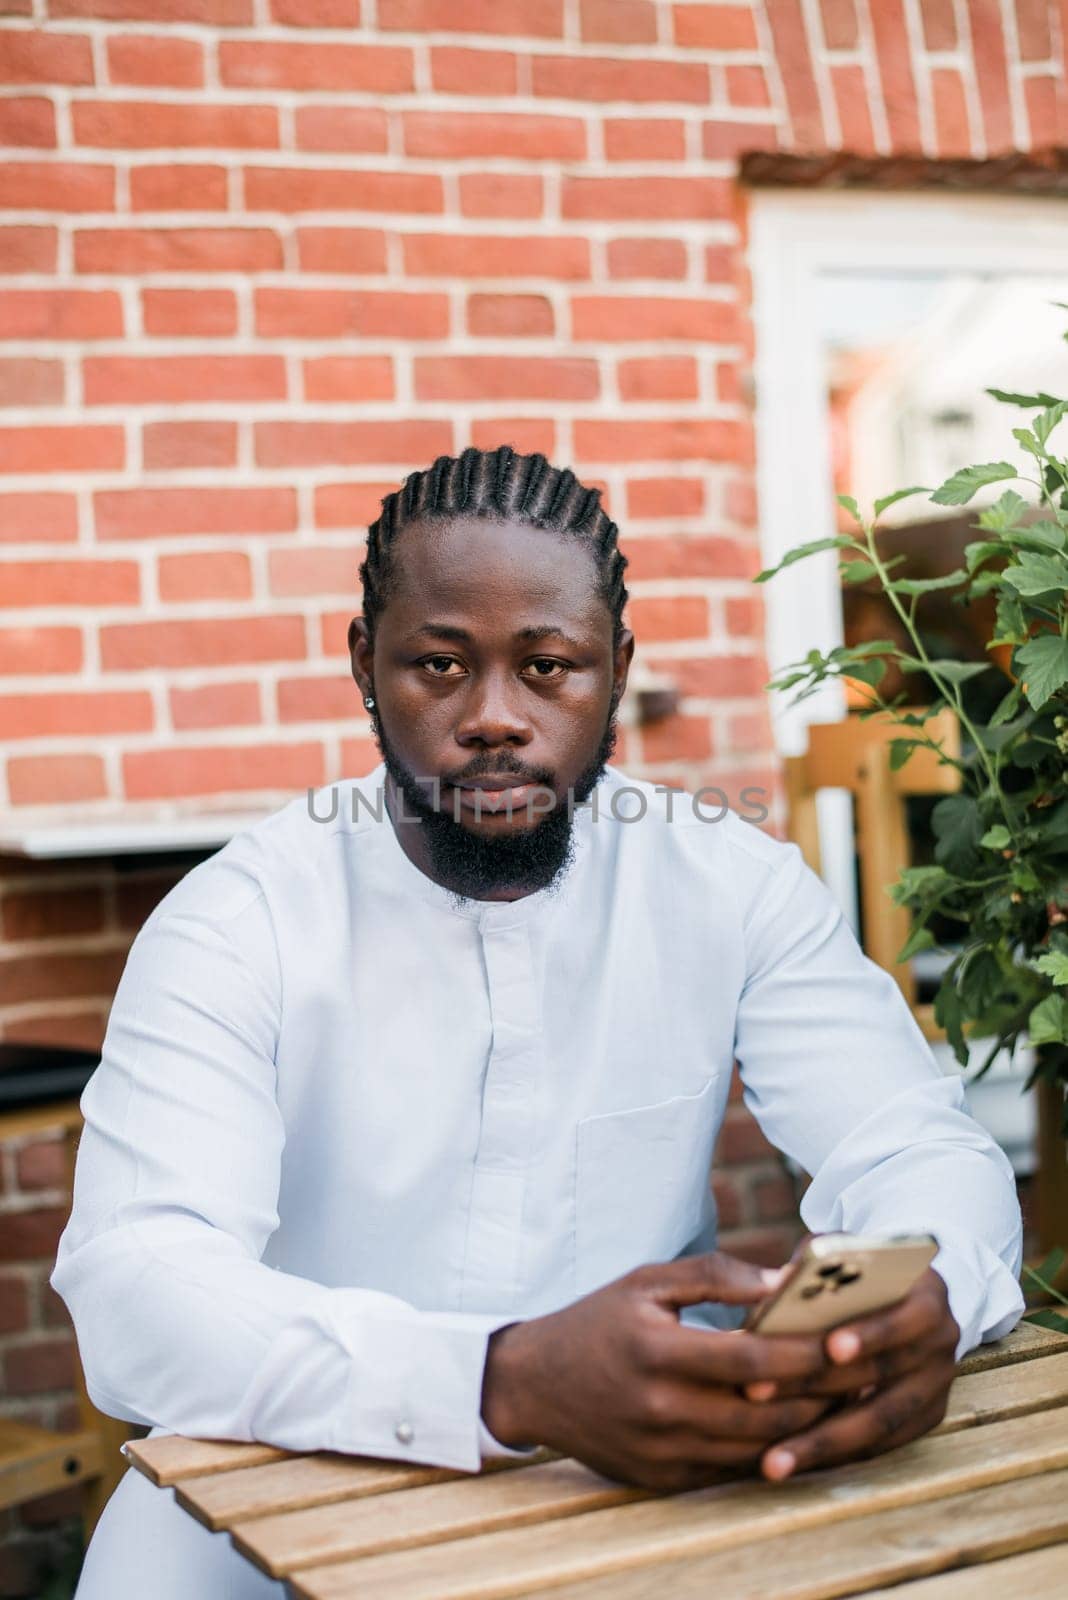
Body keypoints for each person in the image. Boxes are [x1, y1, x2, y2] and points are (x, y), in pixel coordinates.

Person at [53, 448, 1023, 1598]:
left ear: (616, 669)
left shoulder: (731, 884)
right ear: (365, 664)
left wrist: (931, 1298)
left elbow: (917, 1148)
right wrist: (496, 1381)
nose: (495, 719)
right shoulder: (236, 922)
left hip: (640, 1482)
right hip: (270, 1476)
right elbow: (140, 1282)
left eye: (549, 666)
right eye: (439, 665)